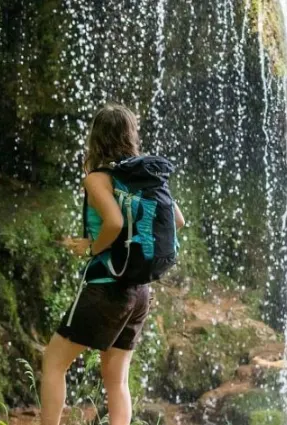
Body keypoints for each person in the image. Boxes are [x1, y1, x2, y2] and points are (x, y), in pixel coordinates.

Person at [43, 104, 185, 425]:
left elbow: (114, 222)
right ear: (131, 135)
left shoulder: (98, 179)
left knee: (53, 362)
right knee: (116, 380)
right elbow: (178, 221)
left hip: (107, 287)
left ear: (96, 138)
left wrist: (92, 248)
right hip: (140, 291)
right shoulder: (146, 178)